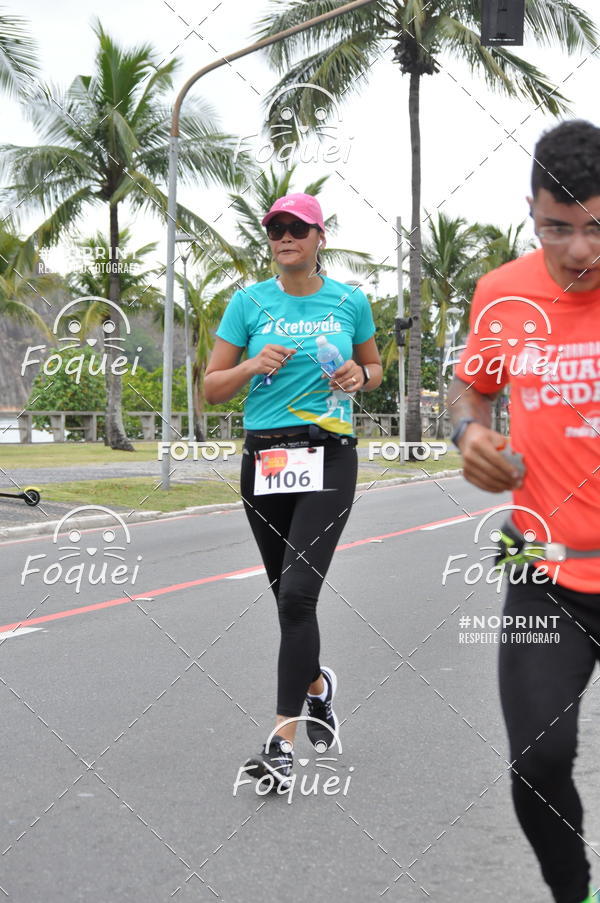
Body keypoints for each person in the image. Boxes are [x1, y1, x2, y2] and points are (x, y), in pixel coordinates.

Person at [448, 120, 600, 903]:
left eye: (597, 227)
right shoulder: (501, 293)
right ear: (532, 212)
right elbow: (470, 385)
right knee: (538, 760)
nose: (579, 250)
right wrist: (469, 432)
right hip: (542, 567)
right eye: (556, 228)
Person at [204, 193, 382, 788]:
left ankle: (279, 744)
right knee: (287, 596)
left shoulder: (351, 301)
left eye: (297, 228)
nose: (285, 237)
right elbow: (212, 388)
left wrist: (360, 374)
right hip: (266, 459)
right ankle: (317, 686)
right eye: (275, 228)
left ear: (319, 237)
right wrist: (251, 366)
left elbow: (374, 370)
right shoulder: (247, 302)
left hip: (329, 455)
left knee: (298, 597)